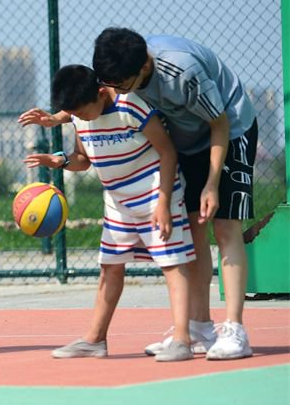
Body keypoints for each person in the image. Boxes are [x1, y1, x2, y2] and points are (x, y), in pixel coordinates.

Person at [24, 29, 257, 360]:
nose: (112, 91)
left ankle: (234, 329)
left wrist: (211, 183)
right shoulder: (121, 69)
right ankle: (200, 328)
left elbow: (217, 123)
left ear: (143, 70)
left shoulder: (181, 73)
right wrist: (55, 119)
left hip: (228, 130)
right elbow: (94, 98)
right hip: (185, 136)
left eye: (118, 85)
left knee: (224, 225)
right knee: (193, 228)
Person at [23, 65, 195, 361]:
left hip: (154, 192)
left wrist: (164, 202)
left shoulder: (132, 107)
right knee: (110, 266)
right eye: (73, 114)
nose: (79, 117)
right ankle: (95, 340)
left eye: (82, 112)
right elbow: (83, 160)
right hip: (117, 201)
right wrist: (59, 161)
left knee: (172, 263)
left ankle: (182, 340)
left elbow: (167, 152)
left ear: (102, 94)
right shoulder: (79, 116)